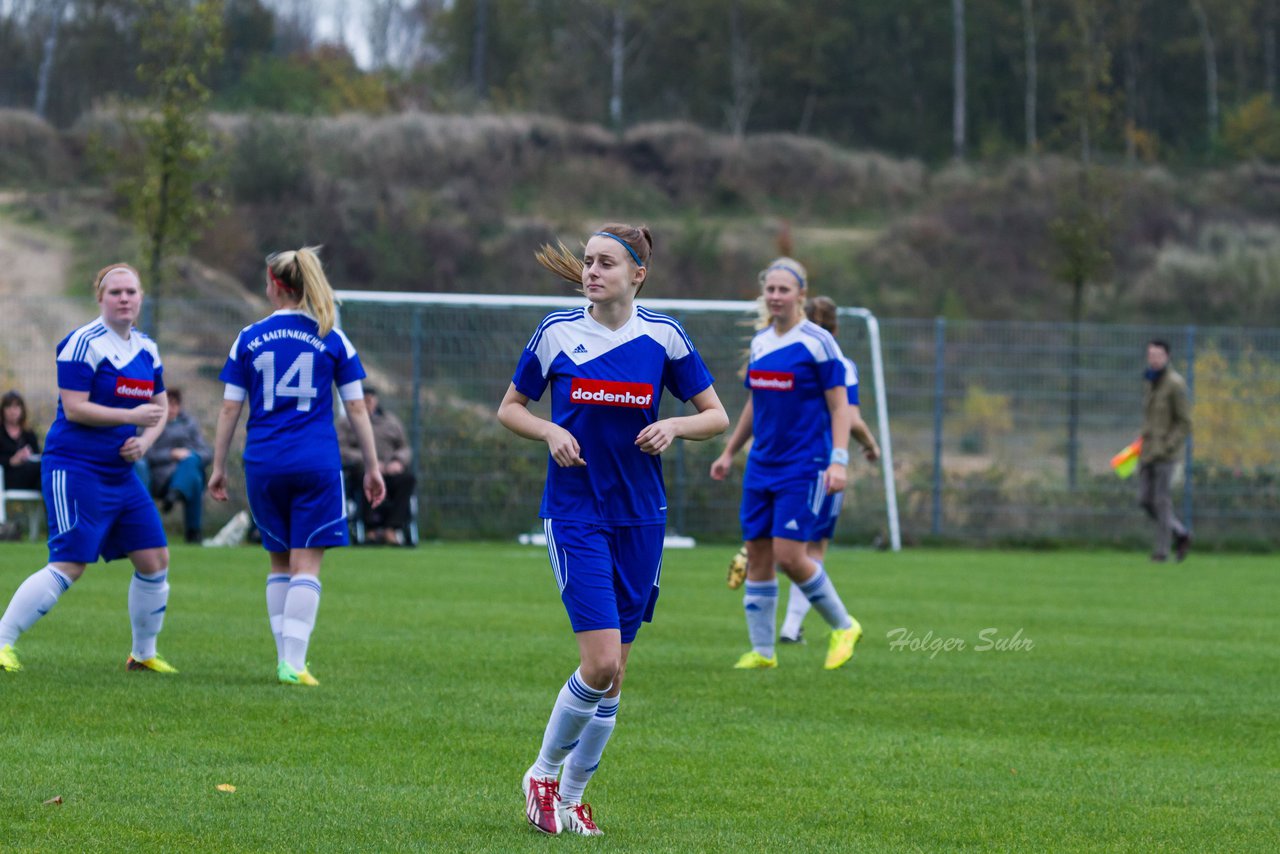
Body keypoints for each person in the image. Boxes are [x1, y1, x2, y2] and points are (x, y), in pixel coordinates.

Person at [498, 224, 728, 836]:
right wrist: (549, 431)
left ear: (638, 275)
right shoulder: (556, 334)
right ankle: (543, 774)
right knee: (598, 664)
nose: (592, 271)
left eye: (605, 263)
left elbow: (716, 415)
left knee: (617, 674)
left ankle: (571, 799)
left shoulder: (664, 337)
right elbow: (511, 407)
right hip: (576, 513)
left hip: (642, 516)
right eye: (588, 262)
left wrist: (675, 428)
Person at [208, 246, 386, 687]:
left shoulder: (248, 337)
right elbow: (358, 410)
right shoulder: (332, 336)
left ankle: (284, 659)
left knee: (279, 563)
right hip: (315, 462)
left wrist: (217, 467)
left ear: (274, 285)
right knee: (308, 566)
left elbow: (229, 411)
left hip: (263, 463)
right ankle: (294, 662)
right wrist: (373, 466)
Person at [0, 263, 176, 674]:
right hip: (74, 467)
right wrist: (129, 416)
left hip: (120, 472)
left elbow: (161, 408)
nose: (124, 298)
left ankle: (143, 654)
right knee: (69, 563)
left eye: (131, 291)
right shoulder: (81, 343)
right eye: (115, 292)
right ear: (100, 297)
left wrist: (145, 442)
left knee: (155, 559)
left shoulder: (147, 348)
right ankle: (2, 639)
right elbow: (76, 408)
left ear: (141, 296)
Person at [709, 257, 864, 672]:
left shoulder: (818, 342)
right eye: (770, 290)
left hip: (805, 465)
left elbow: (840, 408)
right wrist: (730, 451)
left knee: (791, 556)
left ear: (801, 295)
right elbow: (755, 404)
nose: (775, 297)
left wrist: (839, 460)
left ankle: (844, 626)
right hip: (762, 464)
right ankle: (763, 652)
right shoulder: (761, 343)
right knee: (758, 553)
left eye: (783, 290)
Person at [778, 296, 880, 644]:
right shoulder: (838, 361)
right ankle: (792, 628)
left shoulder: (790, 353)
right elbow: (850, 417)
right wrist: (870, 444)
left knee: (789, 546)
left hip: (783, 461)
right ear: (836, 328)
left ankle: (786, 627)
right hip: (822, 466)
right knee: (811, 552)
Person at [337, 385, 415, 545]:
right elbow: (339, 448)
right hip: (362, 471)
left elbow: (404, 447)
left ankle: (392, 529)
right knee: (362, 483)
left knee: (407, 480)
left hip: (389, 471)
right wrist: (369, 462)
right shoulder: (346, 423)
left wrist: (398, 461)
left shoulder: (391, 422)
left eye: (370, 400)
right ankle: (370, 529)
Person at [1138, 339, 1192, 562]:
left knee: (1161, 501)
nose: (1154, 359)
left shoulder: (1175, 384)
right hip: (1147, 451)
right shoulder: (1150, 381)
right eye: (1151, 355)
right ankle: (1180, 533)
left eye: (1158, 355)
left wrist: (1169, 444)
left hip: (1166, 455)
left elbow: (1185, 422)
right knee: (1144, 500)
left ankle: (1161, 552)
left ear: (1167, 357)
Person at [138, 387, 213, 544]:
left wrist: (188, 454)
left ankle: (176, 494)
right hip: (158, 477)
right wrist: (171, 454)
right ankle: (191, 527)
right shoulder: (150, 423)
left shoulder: (189, 424)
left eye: (174, 404)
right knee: (194, 480)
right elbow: (145, 453)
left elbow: (206, 452)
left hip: (185, 470)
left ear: (179, 406)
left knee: (192, 465)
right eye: (167, 404)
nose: (170, 409)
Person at [1, 390, 42, 491]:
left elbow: (37, 455)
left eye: (16, 406)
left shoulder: (29, 433)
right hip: (6, 477)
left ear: (22, 409)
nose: (12, 410)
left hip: (30, 475)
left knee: (45, 472)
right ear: (2, 410)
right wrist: (12, 461)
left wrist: (27, 457)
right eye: (8, 406)